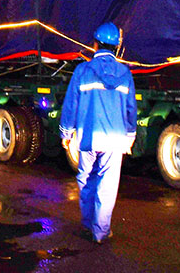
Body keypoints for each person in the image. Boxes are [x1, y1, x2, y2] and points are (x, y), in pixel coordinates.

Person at [59, 22, 137, 244]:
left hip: (87, 137)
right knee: (107, 184)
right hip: (114, 139)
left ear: (95, 44)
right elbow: (131, 109)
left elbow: (71, 105)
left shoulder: (82, 71)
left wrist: (66, 133)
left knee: (86, 179)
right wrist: (130, 136)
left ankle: (87, 224)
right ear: (116, 47)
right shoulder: (125, 74)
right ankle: (100, 232)